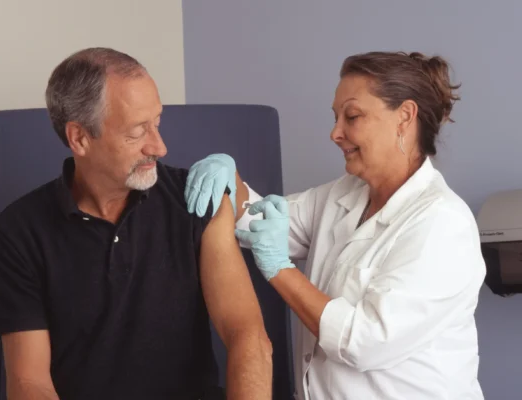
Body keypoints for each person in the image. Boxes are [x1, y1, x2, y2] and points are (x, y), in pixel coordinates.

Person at [184, 51, 486, 399]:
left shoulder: (442, 224)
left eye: (352, 116)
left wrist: (280, 270)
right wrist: (229, 178)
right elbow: (259, 219)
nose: (335, 133)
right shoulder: (343, 195)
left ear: (405, 116)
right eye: (336, 117)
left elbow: (364, 342)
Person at [0, 47, 272, 400]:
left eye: (157, 123)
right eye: (138, 132)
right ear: (79, 138)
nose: (160, 146)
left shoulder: (197, 201)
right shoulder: (18, 232)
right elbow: (30, 382)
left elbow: (248, 337)